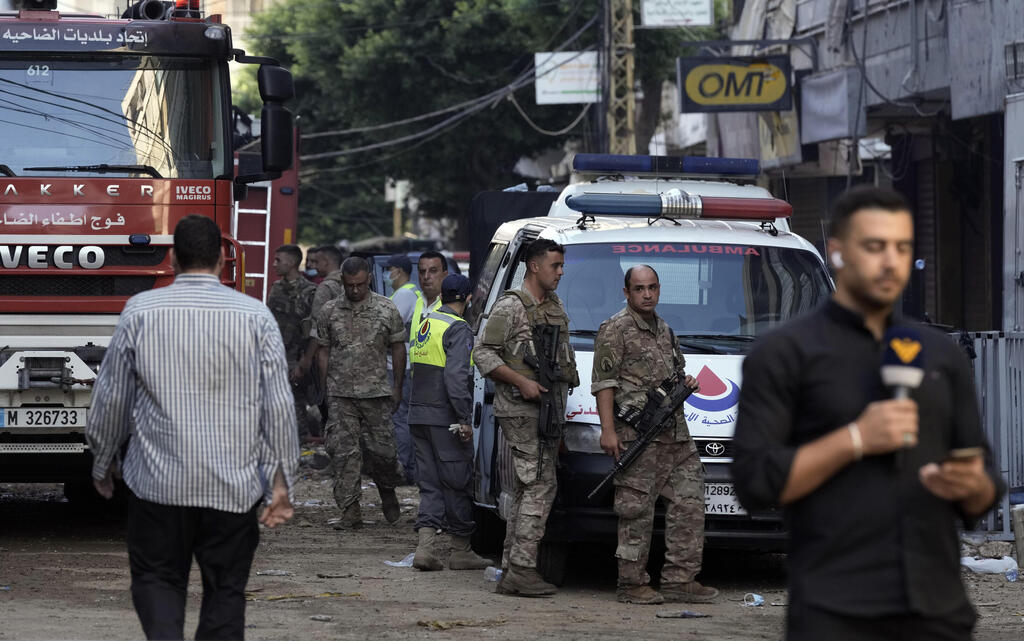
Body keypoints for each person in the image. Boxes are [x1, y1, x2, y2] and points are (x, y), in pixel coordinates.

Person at [732, 186, 1004, 641]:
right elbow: (756, 484)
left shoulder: (940, 355)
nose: (891, 262)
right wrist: (855, 439)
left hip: (937, 611)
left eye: (902, 247)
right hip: (835, 611)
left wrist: (972, 485)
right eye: (875, 246)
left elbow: (985, 482)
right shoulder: (783, 354)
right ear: (836, 252)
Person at [86, 214, 298, 641]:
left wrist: (103, 459)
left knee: (158, 580)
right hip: (232, 488)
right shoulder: (255, 316)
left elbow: (110, 399)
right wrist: (281, 482)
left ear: (172, 258)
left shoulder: (140, 311)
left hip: (158, 485)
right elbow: (277, 405)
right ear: (222, 258)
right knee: (226, 591)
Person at [591, 265, 718, 605]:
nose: (647, 294)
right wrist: (607, 431)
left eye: (652, 288)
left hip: (675, 435)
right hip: (637, 436)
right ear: (626, 292)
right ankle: (631, 584)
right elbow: (604, 384)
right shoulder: (614, 330)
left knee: (690, 504)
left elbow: (673, 374)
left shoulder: (665, 329)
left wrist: (685, 384)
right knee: (636, 510)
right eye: (639, 288)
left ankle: (681, 579)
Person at [474, 238, 579, 597]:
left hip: (548, 410)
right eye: (555, 265)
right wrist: (521, 381)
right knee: (539, 486)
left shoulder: (553, 306)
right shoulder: (510, 307)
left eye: (562, 266)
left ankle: (511, 568)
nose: (561, 272)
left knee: (524, 489)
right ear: (534, 266)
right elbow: (483, 354)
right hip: (520, 410)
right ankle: (521, 568)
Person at [407, 274, 491, 572]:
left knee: (430, 485)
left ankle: (425, 549)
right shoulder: (458, 328)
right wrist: (463, 419)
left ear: (442, 296)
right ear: (468, 299)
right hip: (445, 419)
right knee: (457, 482)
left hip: (418, 415)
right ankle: (460, 550)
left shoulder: (427, 322)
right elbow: (456, 379)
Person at [315, 256, 407, 528]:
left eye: (359, 285)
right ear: (342, 281)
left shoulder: (386, 309)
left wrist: (398, 387)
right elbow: (323, 350)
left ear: (369, 279)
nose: (354, 290)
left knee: (384, 454)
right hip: (340, 394)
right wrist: (324, 390)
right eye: (349, 285)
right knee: (344, 454)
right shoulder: (330, 311)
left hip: (376, 393)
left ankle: (387, 490)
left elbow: (398, 348)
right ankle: (350, 510)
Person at [267, 244, 317, 440]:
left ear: (293, 262)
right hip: (276, 354)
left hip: (297, 357)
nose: (274, 264)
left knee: (297, 403)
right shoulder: (276, 288)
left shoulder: (310, 292)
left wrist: (305, 360)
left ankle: (302, 444)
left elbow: (314, 330)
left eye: (279, 260)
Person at [386, 253, 423, 484]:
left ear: (397, 270)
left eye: (388, 270)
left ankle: (404, 469)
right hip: (411, 364)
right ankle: (409, 468)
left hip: (399, 365)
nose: (386, 275)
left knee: (399, 418)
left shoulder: (404, 295)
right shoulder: (415, 293)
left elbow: (386, 329)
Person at [411, 250, 449, 334]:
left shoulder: (451, 305)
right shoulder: (417, 302)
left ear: (445, 275)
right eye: (422, 271)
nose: (426, 276)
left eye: (433, 271)